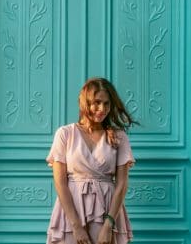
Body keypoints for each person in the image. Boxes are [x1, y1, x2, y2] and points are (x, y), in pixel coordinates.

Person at [46, 77, 137, 244]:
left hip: (107, 210)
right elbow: (60, 183)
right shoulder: (65, 134)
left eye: (107, 104)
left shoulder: (119, 137)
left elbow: (122, 184)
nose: (102, 109)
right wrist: (76, 226)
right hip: (70, 210)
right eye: (96, 102)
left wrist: (109, 224)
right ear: (85, 102)